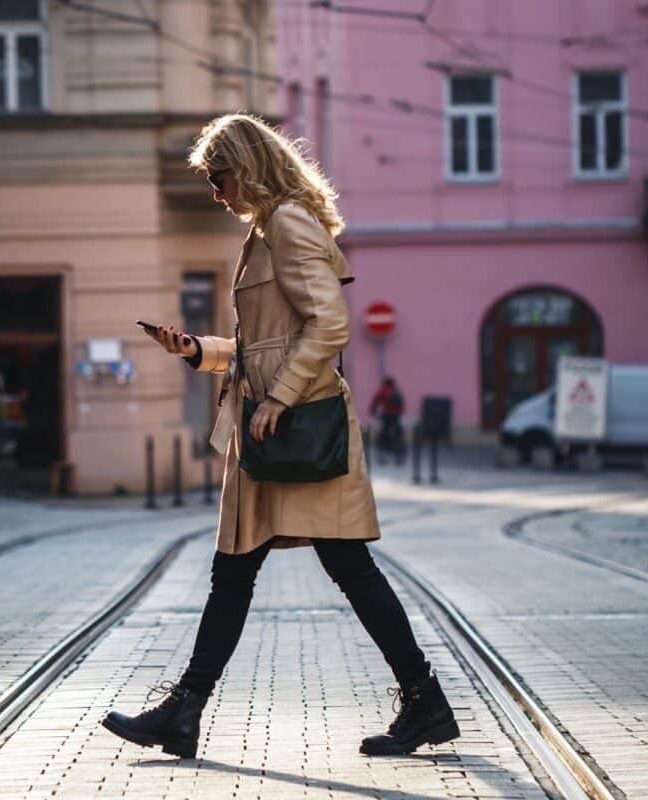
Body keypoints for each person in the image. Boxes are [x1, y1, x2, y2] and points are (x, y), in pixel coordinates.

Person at [102, 114, 458, 759]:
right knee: (245, 572)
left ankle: (422, 700)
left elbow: (329, 326)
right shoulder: (268, 231)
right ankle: (187, 709)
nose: (216, 192)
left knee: (327, 569)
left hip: (296, 426)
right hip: (274, 427)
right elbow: (264, 344)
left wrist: (279, 397)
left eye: (220, 176)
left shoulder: (288, 224)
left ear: (250, 166)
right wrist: (199, 351)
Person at [368, 376, 406, 465]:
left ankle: (383, 455)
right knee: (398, 435)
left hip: (387, 415)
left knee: (384, 434)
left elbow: (375, 401)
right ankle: (399, 456)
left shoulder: (383, 390)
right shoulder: (396, 390)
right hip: (396, 416)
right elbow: (402, 404)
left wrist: (373, 411)